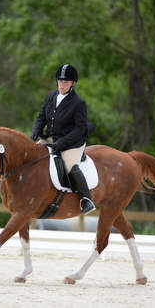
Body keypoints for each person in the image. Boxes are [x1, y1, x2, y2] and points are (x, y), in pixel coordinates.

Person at [31, 64, 96, 214]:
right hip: (52, 138)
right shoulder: (51, 96)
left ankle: (86, 199)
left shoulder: (78, 103)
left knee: (69, 165)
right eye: (60, 81)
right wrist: (35, 132)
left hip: (72, 143)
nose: (62, 84)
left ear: (73, 83)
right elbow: (41, 117)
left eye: (65, 82)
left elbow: (79, 129)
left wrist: (61, 143)